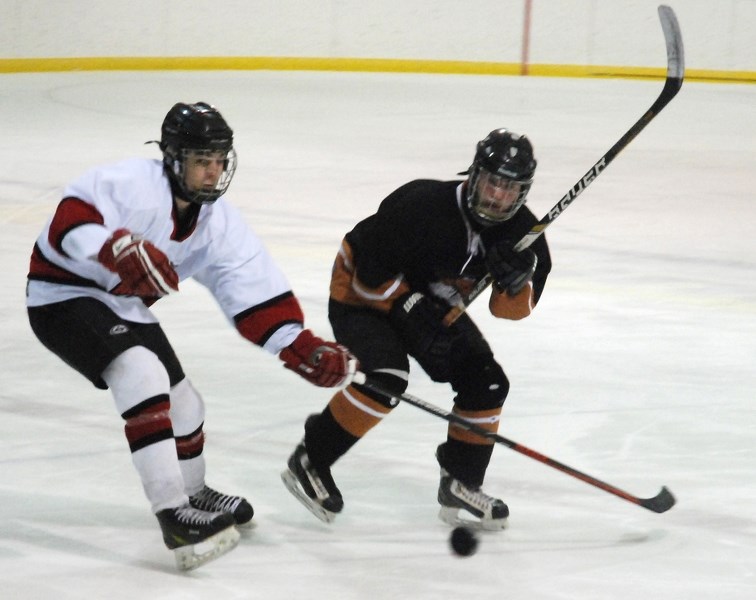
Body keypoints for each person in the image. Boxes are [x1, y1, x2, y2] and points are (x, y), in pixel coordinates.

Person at [26, 101, 354, 570]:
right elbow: (68, 221)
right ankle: (172, 514)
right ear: (174, 159)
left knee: (186, 405)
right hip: (60, 295)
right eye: (202, 161)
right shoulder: (131, 183)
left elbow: (250, 290)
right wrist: (112, 247)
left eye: (220, 161)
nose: (213, 172)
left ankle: (194, 493)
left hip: (119, 303)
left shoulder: (218, 223)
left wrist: (300, 346)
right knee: (142, 374)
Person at [281, 128, 552, 530]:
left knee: (487, 382)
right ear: (474, 175)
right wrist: (407, 304)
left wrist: (515, 282)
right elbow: (366, 271)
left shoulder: (523, 236)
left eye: (509, 189)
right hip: (361, 295)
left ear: (523, 193)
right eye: (493, 182)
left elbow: (511, 311)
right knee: (386, 379)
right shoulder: (423, 204)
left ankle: (460, 482)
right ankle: (311, 459)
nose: (497, 196)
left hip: (431, 302)